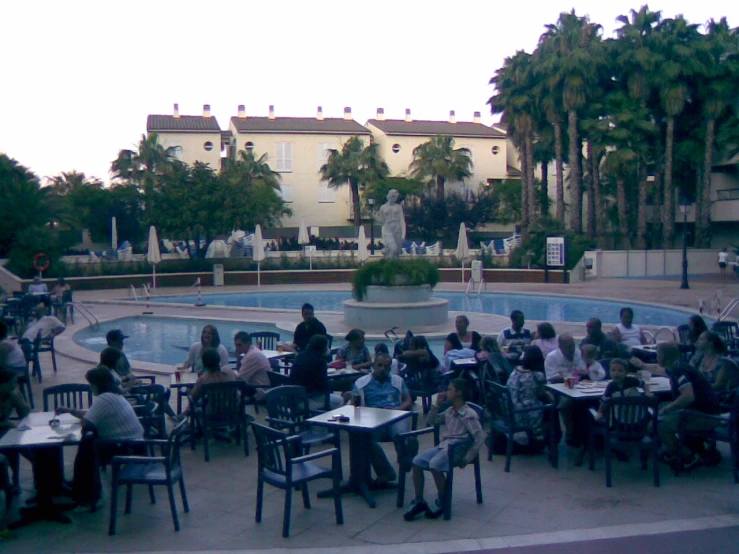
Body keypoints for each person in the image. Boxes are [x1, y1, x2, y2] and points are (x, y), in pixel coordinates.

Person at [56, 367, 144, 509]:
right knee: (88, 443)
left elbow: (88, 421)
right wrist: (69, 410)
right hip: (134, 442)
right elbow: (91, 414)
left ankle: (88, 494)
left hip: (126, 446)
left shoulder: (104, 399)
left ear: (97, 384)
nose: (90, 387)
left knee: (87, 446)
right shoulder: (113, 395)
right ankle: (82, 488)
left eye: (91, 384)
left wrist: (77, 415)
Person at [403, 379, 484, 521]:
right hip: (443, 446)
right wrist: (437, 405)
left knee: (435, 464)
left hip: (457, 449)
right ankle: (419, 500)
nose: (446, 392)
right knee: (417, 461)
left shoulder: (468, 414)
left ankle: (443, 499)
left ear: (458, 393)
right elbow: (432, 421)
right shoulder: (450, 411)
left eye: (449, 389)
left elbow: (478, 437)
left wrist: (467, 457)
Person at [655, 342, 722, 471]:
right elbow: (658, 369)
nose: (656, 357)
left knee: (659, 425)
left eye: (657, 354)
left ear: (663, 356)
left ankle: (688, 455)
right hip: (702, 411)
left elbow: (688, 397)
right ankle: (674, 451)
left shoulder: (679, 371)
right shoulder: (679, 366)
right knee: (660, 410)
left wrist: (667, 409)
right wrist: (642, 365)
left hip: (705, 416)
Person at [352, 353, 412, 484]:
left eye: (386, 366)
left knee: (400, 434)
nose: (382, 369)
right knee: (366, 439)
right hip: (373, 419)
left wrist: (397, 410)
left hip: (394, 415)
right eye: (379, 365)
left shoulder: (397, 380)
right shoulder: (361, 383)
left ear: (390, 369)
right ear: (373, 365)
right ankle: (386, 472)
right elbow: (354, 404)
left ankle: (405, 456)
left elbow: (408, 400)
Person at [288, 335, 343, 410]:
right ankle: (324, 419)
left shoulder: (301, 355)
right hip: (308, 398)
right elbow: (323, 385)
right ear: (323, 348)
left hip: (294, 396)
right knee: (339, 400)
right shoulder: (320, 361)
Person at [507, 352, 548, 444]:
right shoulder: (537, 375)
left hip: (511, 409)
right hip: (526, 412)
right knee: (551, 406)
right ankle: (547, 439)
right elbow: (541, 394)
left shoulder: (515, 371)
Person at [0, 367, 30, 491]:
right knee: (10, 443)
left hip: (3, 430)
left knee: (19, 445)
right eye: (12, 382)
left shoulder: (11, 394)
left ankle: (15, 480)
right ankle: (7, 485)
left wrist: (19, 399)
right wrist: (6, 424)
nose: (15, 385)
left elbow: (25, 414)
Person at [234, 332, 270, 401]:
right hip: (259, 388)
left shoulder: (252, 356)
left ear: (247, 343)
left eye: (239, 345)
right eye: (236, 345)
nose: (237, 348)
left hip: (258, 391)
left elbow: (240, 379)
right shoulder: (253, 351)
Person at [375, 188, 406, 258]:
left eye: (396, 197)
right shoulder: (383, 207)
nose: (395, 199)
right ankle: (389, 263)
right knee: (393, 248)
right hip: (387, 229)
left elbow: (402, 220)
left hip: (397, 229)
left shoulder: (398, 207)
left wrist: (404, 233)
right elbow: (382, 221)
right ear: (389, 196)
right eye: (393, 196)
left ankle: (391, 263)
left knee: (397, 252)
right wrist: (372, 216)